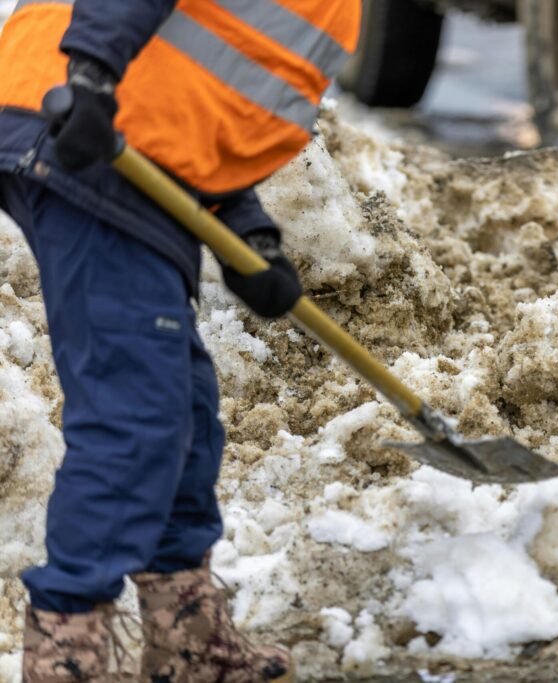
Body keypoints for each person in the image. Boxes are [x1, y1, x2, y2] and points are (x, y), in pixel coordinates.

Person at [0, 0, 361, 680]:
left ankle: (187, 637)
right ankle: (66, 653)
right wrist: (93, 75)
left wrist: (249, 234)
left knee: (183, 407)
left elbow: (200, 103)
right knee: (136, 414)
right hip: (79, 125)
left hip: (124, 144)